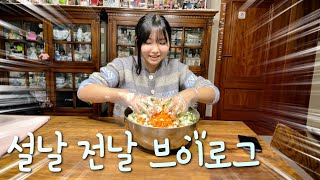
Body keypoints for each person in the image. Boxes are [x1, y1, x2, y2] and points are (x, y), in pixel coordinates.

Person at [77, 13, 220, 117]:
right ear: (138, 42)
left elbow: (213, 93)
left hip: (166, 138)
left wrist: (190, 94)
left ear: (169, 43)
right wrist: (123, 96)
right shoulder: (122, 66)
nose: (155, 50)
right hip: (126, 135)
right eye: (148, 42)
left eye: (162, 42)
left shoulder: (177, 69)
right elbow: (84, 90)